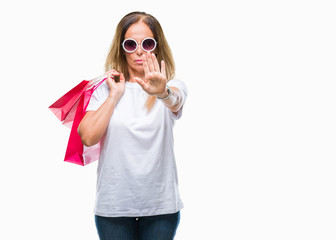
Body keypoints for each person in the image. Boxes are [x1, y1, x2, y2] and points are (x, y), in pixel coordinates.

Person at [78, 11, 188, 240]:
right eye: (131, 44)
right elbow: (88, 137)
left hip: (160, 207)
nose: (139, 51)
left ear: (157, 47)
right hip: (114, 206)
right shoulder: (105, 88)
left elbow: (175, 101)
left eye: (147, 43)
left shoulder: (173, 85)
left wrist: (162, 92)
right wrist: (114, 95)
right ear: (121, 48)